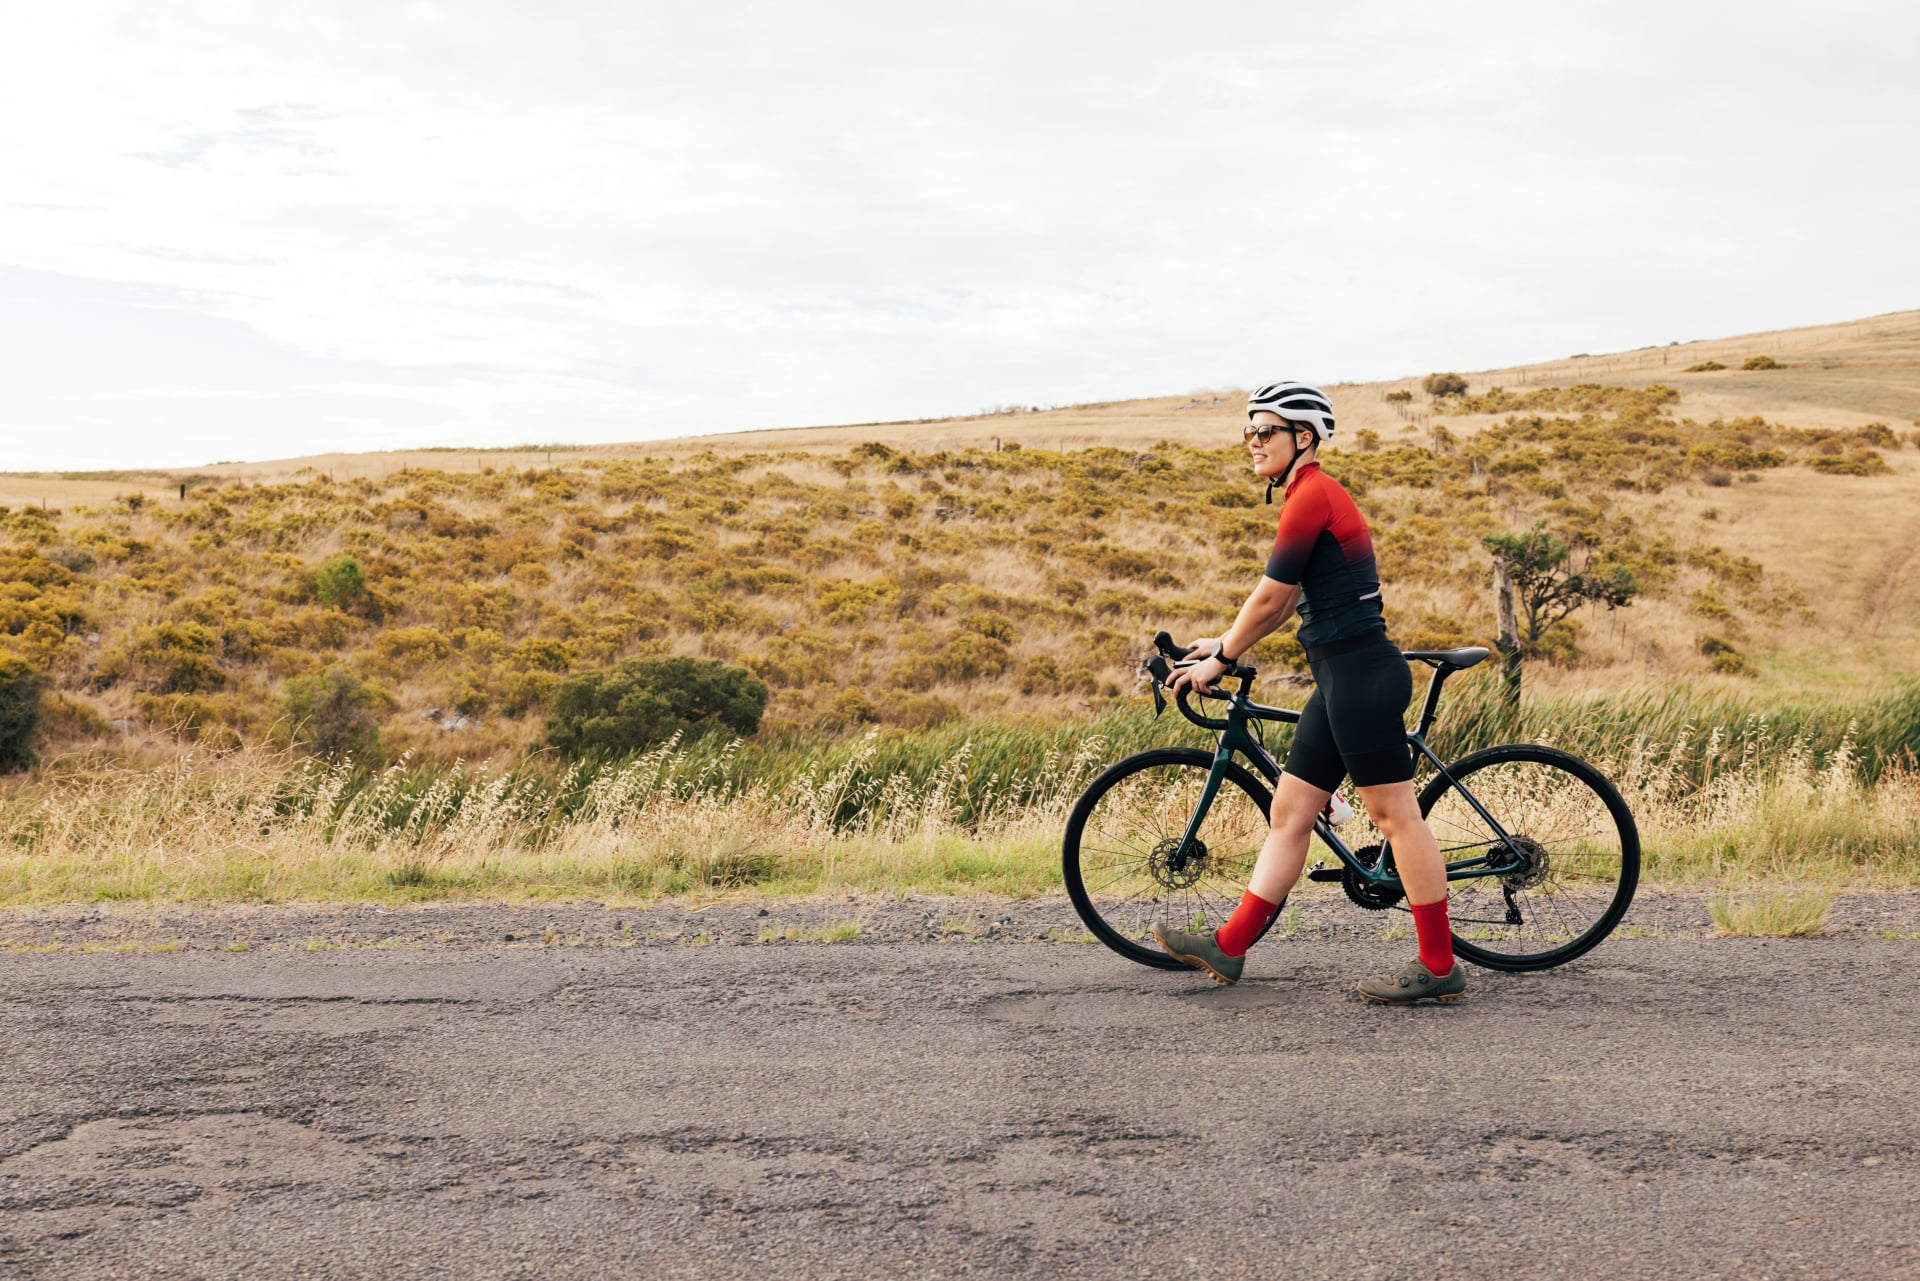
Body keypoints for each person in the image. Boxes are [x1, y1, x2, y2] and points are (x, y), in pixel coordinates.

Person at [1152, 380, 1465, 1005]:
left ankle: (1438, 965)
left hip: (1360, 677)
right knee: (1291, 814)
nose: (1253, 443)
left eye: (1264, 431)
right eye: (1249, 432)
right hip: (1339, 679)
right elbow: (1285, 601)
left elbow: (1270, 597)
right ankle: (1229, 945)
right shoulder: (1304, 497)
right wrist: (1220, 645)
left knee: (1395, 818)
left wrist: (1222, 662)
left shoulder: (1313, 494)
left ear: (1303, 438)